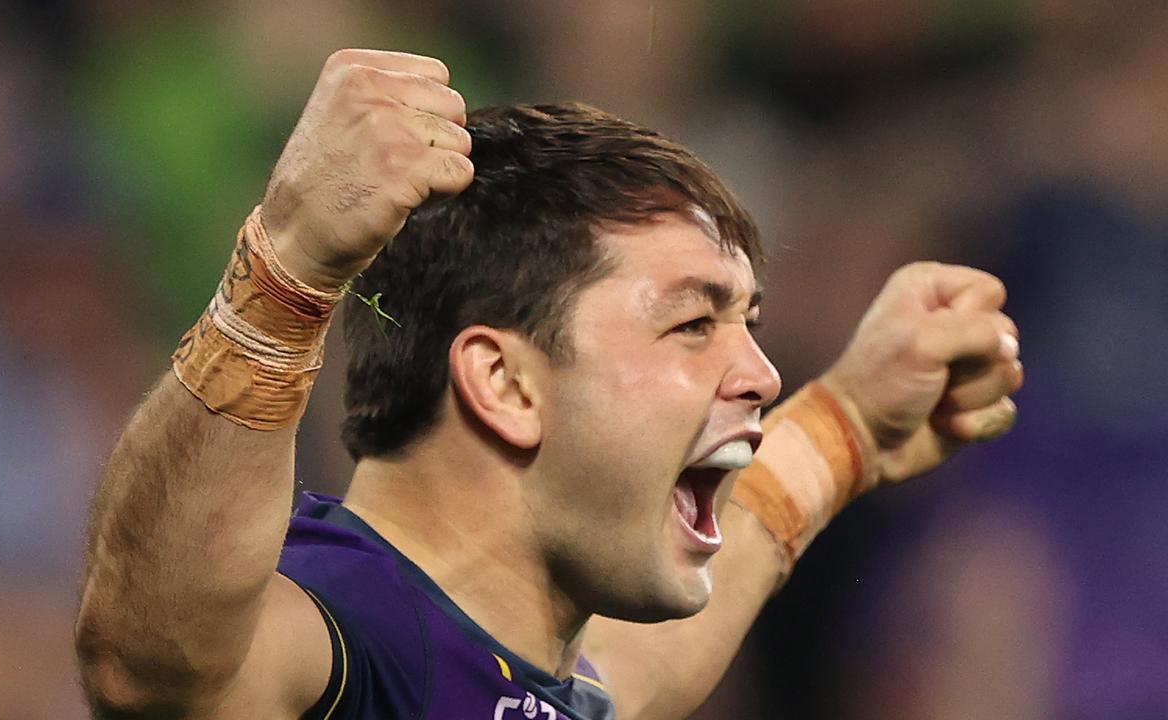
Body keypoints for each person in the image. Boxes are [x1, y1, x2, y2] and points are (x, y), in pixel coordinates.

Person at [74, 49, 1023, 720]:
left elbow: (637, 678)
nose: (763, 375)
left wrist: (846, 426)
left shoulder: (522, 674)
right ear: (504, 384)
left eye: (750, 325)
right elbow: (152, 660)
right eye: (695, 323)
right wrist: (285, 270)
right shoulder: (350, 628)